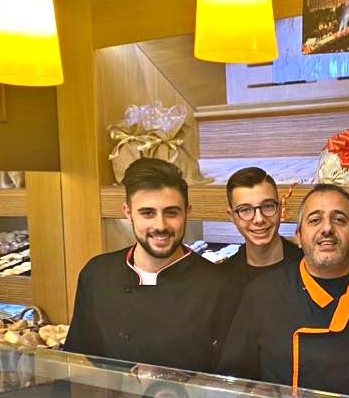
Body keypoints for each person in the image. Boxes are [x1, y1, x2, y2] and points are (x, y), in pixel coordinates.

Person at [63, 158, 238, 371]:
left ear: (187, 212)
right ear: (128, 213)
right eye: (147, 213)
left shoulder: (219, 285)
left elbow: (229, 379)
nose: (160, 225)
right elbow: (75, 361)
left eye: (171, 213)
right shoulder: (98, 275)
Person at [216, 184, 349, 395]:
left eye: (339, 220)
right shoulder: (262, 293)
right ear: (299, 236)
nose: (327, 229)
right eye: (315, 220)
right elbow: (234, 378)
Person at [218, 167, 303, 290]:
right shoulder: (222, 279)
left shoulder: (308, 265)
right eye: (245, 210)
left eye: (267, 206)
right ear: (231, 216)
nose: (259, 219)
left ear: (280, 209)